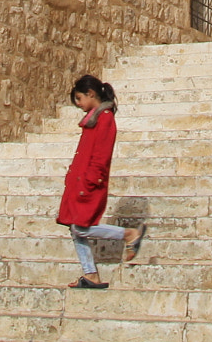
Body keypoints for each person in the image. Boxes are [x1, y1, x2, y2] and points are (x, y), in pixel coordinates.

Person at [56, 74, 145, 288]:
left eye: (79, 99)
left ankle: (128, 234)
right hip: (79, 181)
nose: (78, 105)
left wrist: (89, 180)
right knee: (74, 226)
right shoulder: (94, 118)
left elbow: (101, 155)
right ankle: (90, 274)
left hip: (88, 183)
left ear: (91, 94)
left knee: (80, 228)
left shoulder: (104, 119)